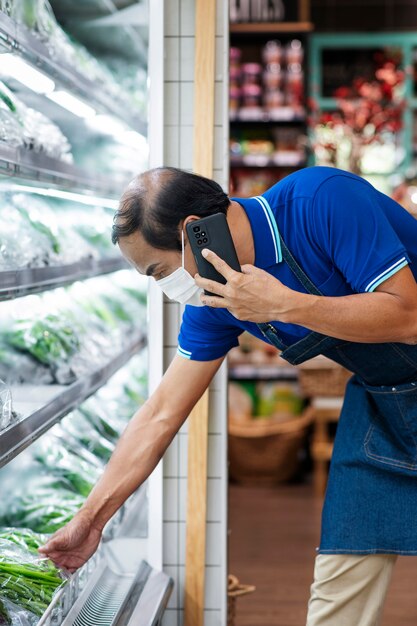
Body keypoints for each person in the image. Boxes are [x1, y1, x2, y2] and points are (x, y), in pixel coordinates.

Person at [40, 165, 417, 626]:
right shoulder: (216, 298)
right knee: (340, 584)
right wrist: (91, 520)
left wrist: (282, 304)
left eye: (158, 271)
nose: (163, 288)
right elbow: (161, 413)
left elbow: (408, 316)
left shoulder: (319, 200)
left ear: (193, 232)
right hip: (383, 399)